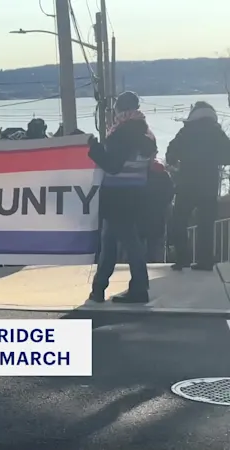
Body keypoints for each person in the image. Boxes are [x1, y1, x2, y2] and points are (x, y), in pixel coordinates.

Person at [87, 91, 156, 304]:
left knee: (126, 242)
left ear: (120, 110)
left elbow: (113, 166)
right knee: (112, 241)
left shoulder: (121, 134)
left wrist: (95, 149)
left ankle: (138, 288)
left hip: (117, 196)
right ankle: (99, 288)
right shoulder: (146, 133)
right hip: (136, 195)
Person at [166, 101, 230, 270]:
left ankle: (182, 258)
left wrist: (175, 162)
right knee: (206, 223)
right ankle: (205, 260)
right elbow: (227, 156)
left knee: (179, 220)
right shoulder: (217, 132)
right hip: (209, 184)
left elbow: (171, 151)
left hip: (187, 183)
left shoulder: (186, 131)